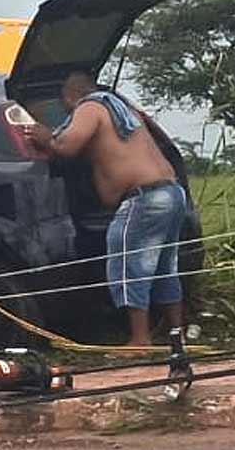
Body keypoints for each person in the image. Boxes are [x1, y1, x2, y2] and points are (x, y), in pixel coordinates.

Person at [23, 71, 187, 346]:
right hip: (171, 193)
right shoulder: (123, 110)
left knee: (128, 263)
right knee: (164, 268)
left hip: (144, 198)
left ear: (70, 97)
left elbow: (67, 145)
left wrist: (45, 136)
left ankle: (140, 340)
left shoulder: (91, 106)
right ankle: (177, 334)